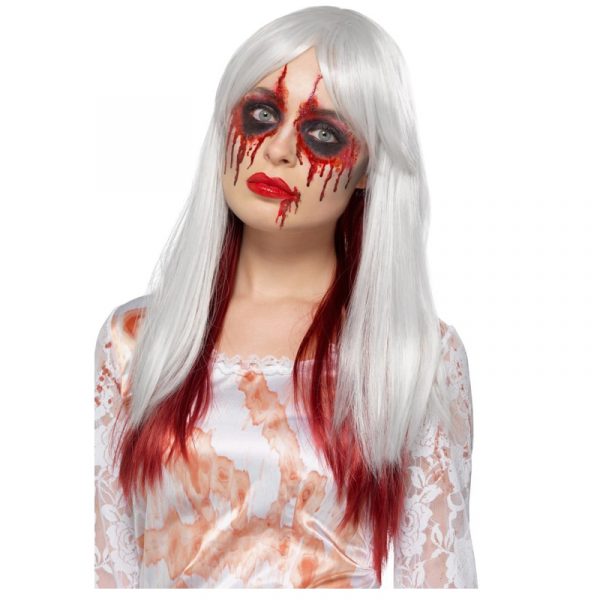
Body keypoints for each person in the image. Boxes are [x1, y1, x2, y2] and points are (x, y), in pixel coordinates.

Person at [94, 6, 478, 588]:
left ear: (369, 167)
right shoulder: (136, 341)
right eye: (261, 114)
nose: (278, 150)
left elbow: (439, 578)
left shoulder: (414, 356)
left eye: (323, 134)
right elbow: (109, 566)